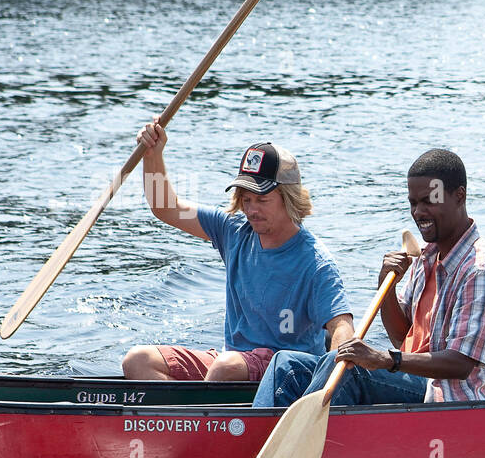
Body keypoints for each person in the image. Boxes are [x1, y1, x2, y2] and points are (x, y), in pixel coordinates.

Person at [253, 148, 485, 407]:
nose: (418, 212)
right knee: (286, 364)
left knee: (344, 366)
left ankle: (300, 440)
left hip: (449, 396)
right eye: (413, 203)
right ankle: (257, 442)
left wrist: (387, 360)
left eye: (429, 201)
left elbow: (460, 364)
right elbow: (401, 336)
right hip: (413, 378)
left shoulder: (480, 270)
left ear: (459, 196)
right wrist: (386, 286)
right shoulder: (426, 256)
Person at [121, 120, 353, 381]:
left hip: (287, 370)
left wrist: (329, 382)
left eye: (262, 200)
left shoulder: (316, 263)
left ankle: (201, 415)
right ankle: (183, 419)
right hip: (233, 361)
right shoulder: (233, 230)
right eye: (246, 199)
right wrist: (153, 155)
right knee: (138, 361)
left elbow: (342, 328)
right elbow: (164, 207)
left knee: (225, 367)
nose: (251, 210)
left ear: (289, 199)